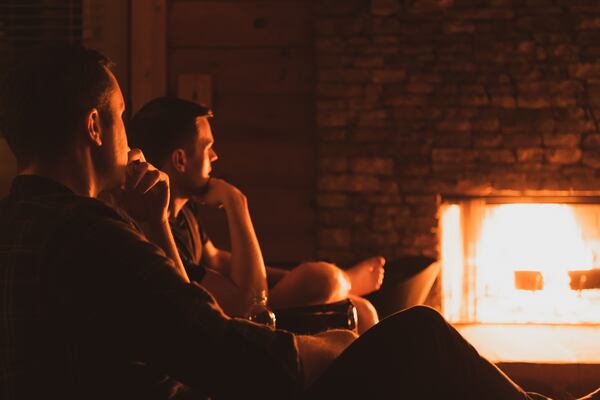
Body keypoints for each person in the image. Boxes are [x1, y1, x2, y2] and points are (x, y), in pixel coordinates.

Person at [1, 45, 597, 400]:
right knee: (415, 335)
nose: (130, 138)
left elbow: (178, 321)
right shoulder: (92, 236)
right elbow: (218, 347)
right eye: (122, 117)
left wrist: (153, 223)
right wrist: (325, 350)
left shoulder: (29, 222)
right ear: (94, 128)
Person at [126, 96, 384, 333]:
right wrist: (236, 204)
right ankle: (345, 280)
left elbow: (217, 260)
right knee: (323, 279)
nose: (215, 156)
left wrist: (292, 280)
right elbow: (250, 306)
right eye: (207, 148)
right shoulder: (158, 234)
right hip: (234, 330)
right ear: (180, 160)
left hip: (247, 310)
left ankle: (344, 283)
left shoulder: (184, 213)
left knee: (362, 310)